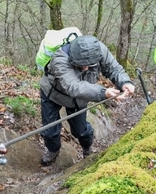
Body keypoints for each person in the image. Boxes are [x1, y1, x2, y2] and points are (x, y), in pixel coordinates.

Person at [39, 35, 135, 166]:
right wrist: (103, 92)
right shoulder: (60, 58)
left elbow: (113, 68)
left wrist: (125, 82)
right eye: (80, 65)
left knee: (81, 130)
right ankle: (52, 150)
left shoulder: (99, 50)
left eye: (89, 65)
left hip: (79, 98)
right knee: (50, 131)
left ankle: (87, 147)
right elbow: (74, 86)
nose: (85, 68)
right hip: (53, 94)